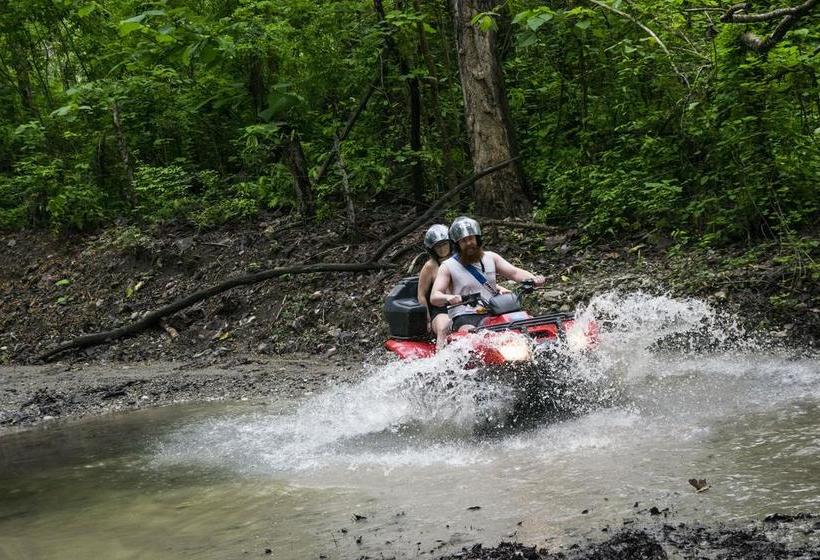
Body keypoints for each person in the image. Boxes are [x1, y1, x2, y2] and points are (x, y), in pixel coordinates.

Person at [430, 217, 546, 333]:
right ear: (457, 244)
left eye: (471, 238)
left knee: (530, 324)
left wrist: (534, 279)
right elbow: (435, 296)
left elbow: (514, 272)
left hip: (496, 310)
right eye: (463, 241)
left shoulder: (491, 257)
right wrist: (449, 298)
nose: (469, 243)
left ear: (477, 239)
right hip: (466, 315)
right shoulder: (447, 266)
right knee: (471, 334)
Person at [417, 224, 453, 349]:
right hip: (440, 311)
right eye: (438, 246)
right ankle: (441, 362)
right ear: (432, 249)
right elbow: (421, 294)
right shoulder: (429, 266)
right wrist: (426, 320)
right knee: (444, 327)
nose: (442, 248)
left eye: (444, 244)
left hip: (462, 306)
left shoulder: (459, 260)